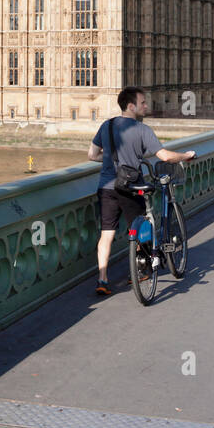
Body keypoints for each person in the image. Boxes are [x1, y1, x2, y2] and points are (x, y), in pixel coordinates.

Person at [88, 87, 195, 295]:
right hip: (130, 187)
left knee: (106, 235)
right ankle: (139, 271)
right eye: (143, 102)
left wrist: (110, 157)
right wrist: (185, 155)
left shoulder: (107, 125)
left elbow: (92, 155)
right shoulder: (142, 130)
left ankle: (102, 279)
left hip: (106, 187)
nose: (146, 106)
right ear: (131, 106)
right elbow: (165, 157)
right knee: (139, 228)